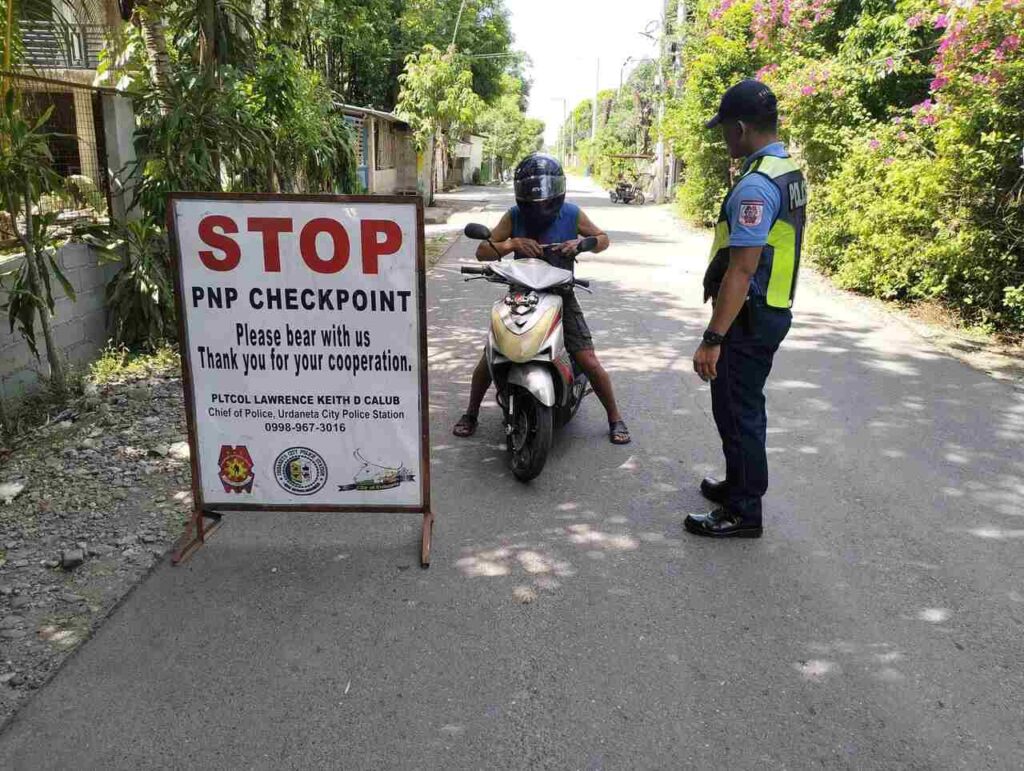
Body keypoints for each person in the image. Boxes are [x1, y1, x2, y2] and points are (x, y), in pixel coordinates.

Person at [685, 79, 807, 538]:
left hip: (749, 316)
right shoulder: (787, 170)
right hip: (770, 307)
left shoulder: (756, 186)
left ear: (739, 128)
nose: (723, 138)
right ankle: (737, 484)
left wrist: (712, 338)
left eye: (724, 130)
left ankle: (743, 511)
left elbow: (742, 268)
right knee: (740, 406)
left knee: (738, 411)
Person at [452, 153, 631, 445]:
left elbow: (603, 239)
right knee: (492, 355)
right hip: (520, 295)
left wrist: (580, 244)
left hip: (562, 295)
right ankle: (471, 413)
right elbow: (483, 251)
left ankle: (615, 417)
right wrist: (512, 243)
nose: (539, 208)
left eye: (545, 201)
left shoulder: (572, 214)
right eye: (533, 202)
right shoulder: (514, 216)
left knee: (587, 358)